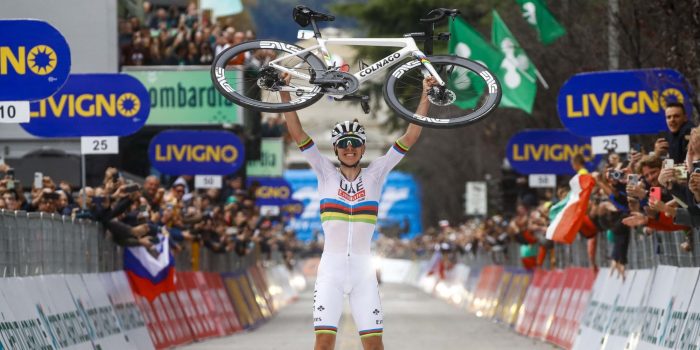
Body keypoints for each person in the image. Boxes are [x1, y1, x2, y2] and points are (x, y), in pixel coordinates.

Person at [281, 74, 436, 350]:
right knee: (324, 344)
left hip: (364, 271)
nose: (349, 148)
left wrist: (425, 96)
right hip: (331, 270)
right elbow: (298, 134)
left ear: (363, 148)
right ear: (336, 149)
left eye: (354, 143)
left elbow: (410, 136)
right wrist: (284, 93)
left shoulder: (376, 173)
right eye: (343, 143)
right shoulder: (324, 172)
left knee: (375, 346)